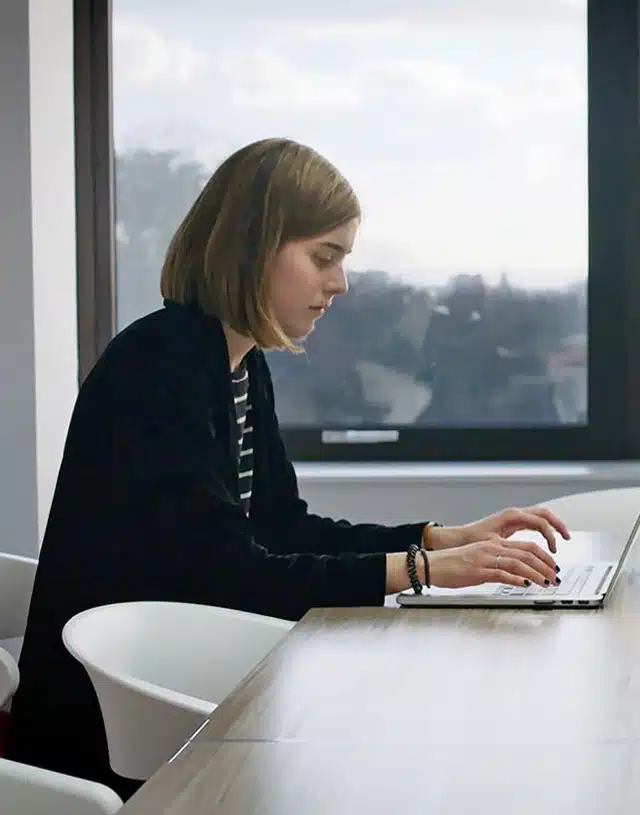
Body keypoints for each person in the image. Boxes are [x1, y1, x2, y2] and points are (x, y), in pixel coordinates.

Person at [6, 137, 571, 801]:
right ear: (253, 247)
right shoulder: (160, 366)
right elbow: (229, 573)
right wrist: (418, 572)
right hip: (120, 741)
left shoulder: (239, 364)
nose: (340, 283)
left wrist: (429, 539)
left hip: (191, 703)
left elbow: (279, 526)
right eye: (324, 256)